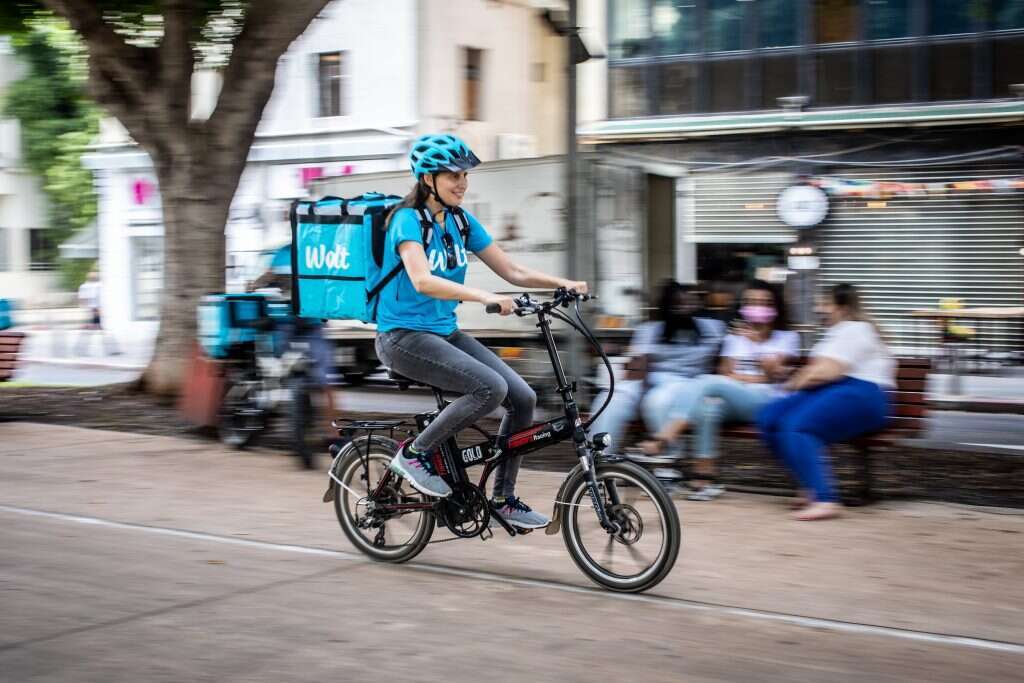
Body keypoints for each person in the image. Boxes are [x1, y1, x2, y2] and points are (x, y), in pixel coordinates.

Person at [375, 133, 586, 530]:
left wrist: (564, 283)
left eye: (465, 176)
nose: (462, 183)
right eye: (453, 175)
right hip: (402, 337)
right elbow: (422, 280)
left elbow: (513, 271)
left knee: (523, 397)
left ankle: (503, 498)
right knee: (490, 389)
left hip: (443, 332)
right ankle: (416, 454)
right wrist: (484, 296)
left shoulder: (459, 221)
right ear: (427, 179)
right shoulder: (406, 220)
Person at [638, 280, 800, 501]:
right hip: (734, 397)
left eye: (764, 302)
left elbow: (773, 376)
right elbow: (726, 373)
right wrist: (748, 377)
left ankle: (665, 437)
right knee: (707, 408)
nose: (757, 306)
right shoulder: (734, 338)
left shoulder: (787, 337)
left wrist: (757, 344)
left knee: (706, 381)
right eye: (752, 301)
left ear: (775, 307)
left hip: (767, 400)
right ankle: (704, 479)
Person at [757, 283, 894, 521]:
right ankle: (809, 485)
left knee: (798, 426)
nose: (818, 309)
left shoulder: (856, 329)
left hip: (863, 394)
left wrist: (793, 383)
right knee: (769, 417)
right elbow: (818, 373)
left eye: (825, 304)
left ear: (843, 308)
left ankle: (825, 499)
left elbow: (826, 371)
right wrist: (791, 377)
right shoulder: (835, 333)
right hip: (835, 390)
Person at [589, 280, 726, 459]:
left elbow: (726, 360)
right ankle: (597, 458)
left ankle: (668, 463)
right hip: (648, 380)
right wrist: (638, 388)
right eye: (677, 304)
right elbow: (636, 371)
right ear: (665, 308)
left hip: (688, 384)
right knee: (611, 399)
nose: (684, 308)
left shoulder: (713, 328)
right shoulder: (650, 330)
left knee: (657, 401)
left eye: (689, 302)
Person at [75, 270, 120, 356]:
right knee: (100, 331)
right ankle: (111, 350)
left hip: (92, 311)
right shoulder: (93, 286)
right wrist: (95, 310)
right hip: (95, 311)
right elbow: (90, 298)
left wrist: (87, 309)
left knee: (94, 331)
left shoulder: (86, 286)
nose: (95, 276)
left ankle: (80, 350)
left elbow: (82, 300)